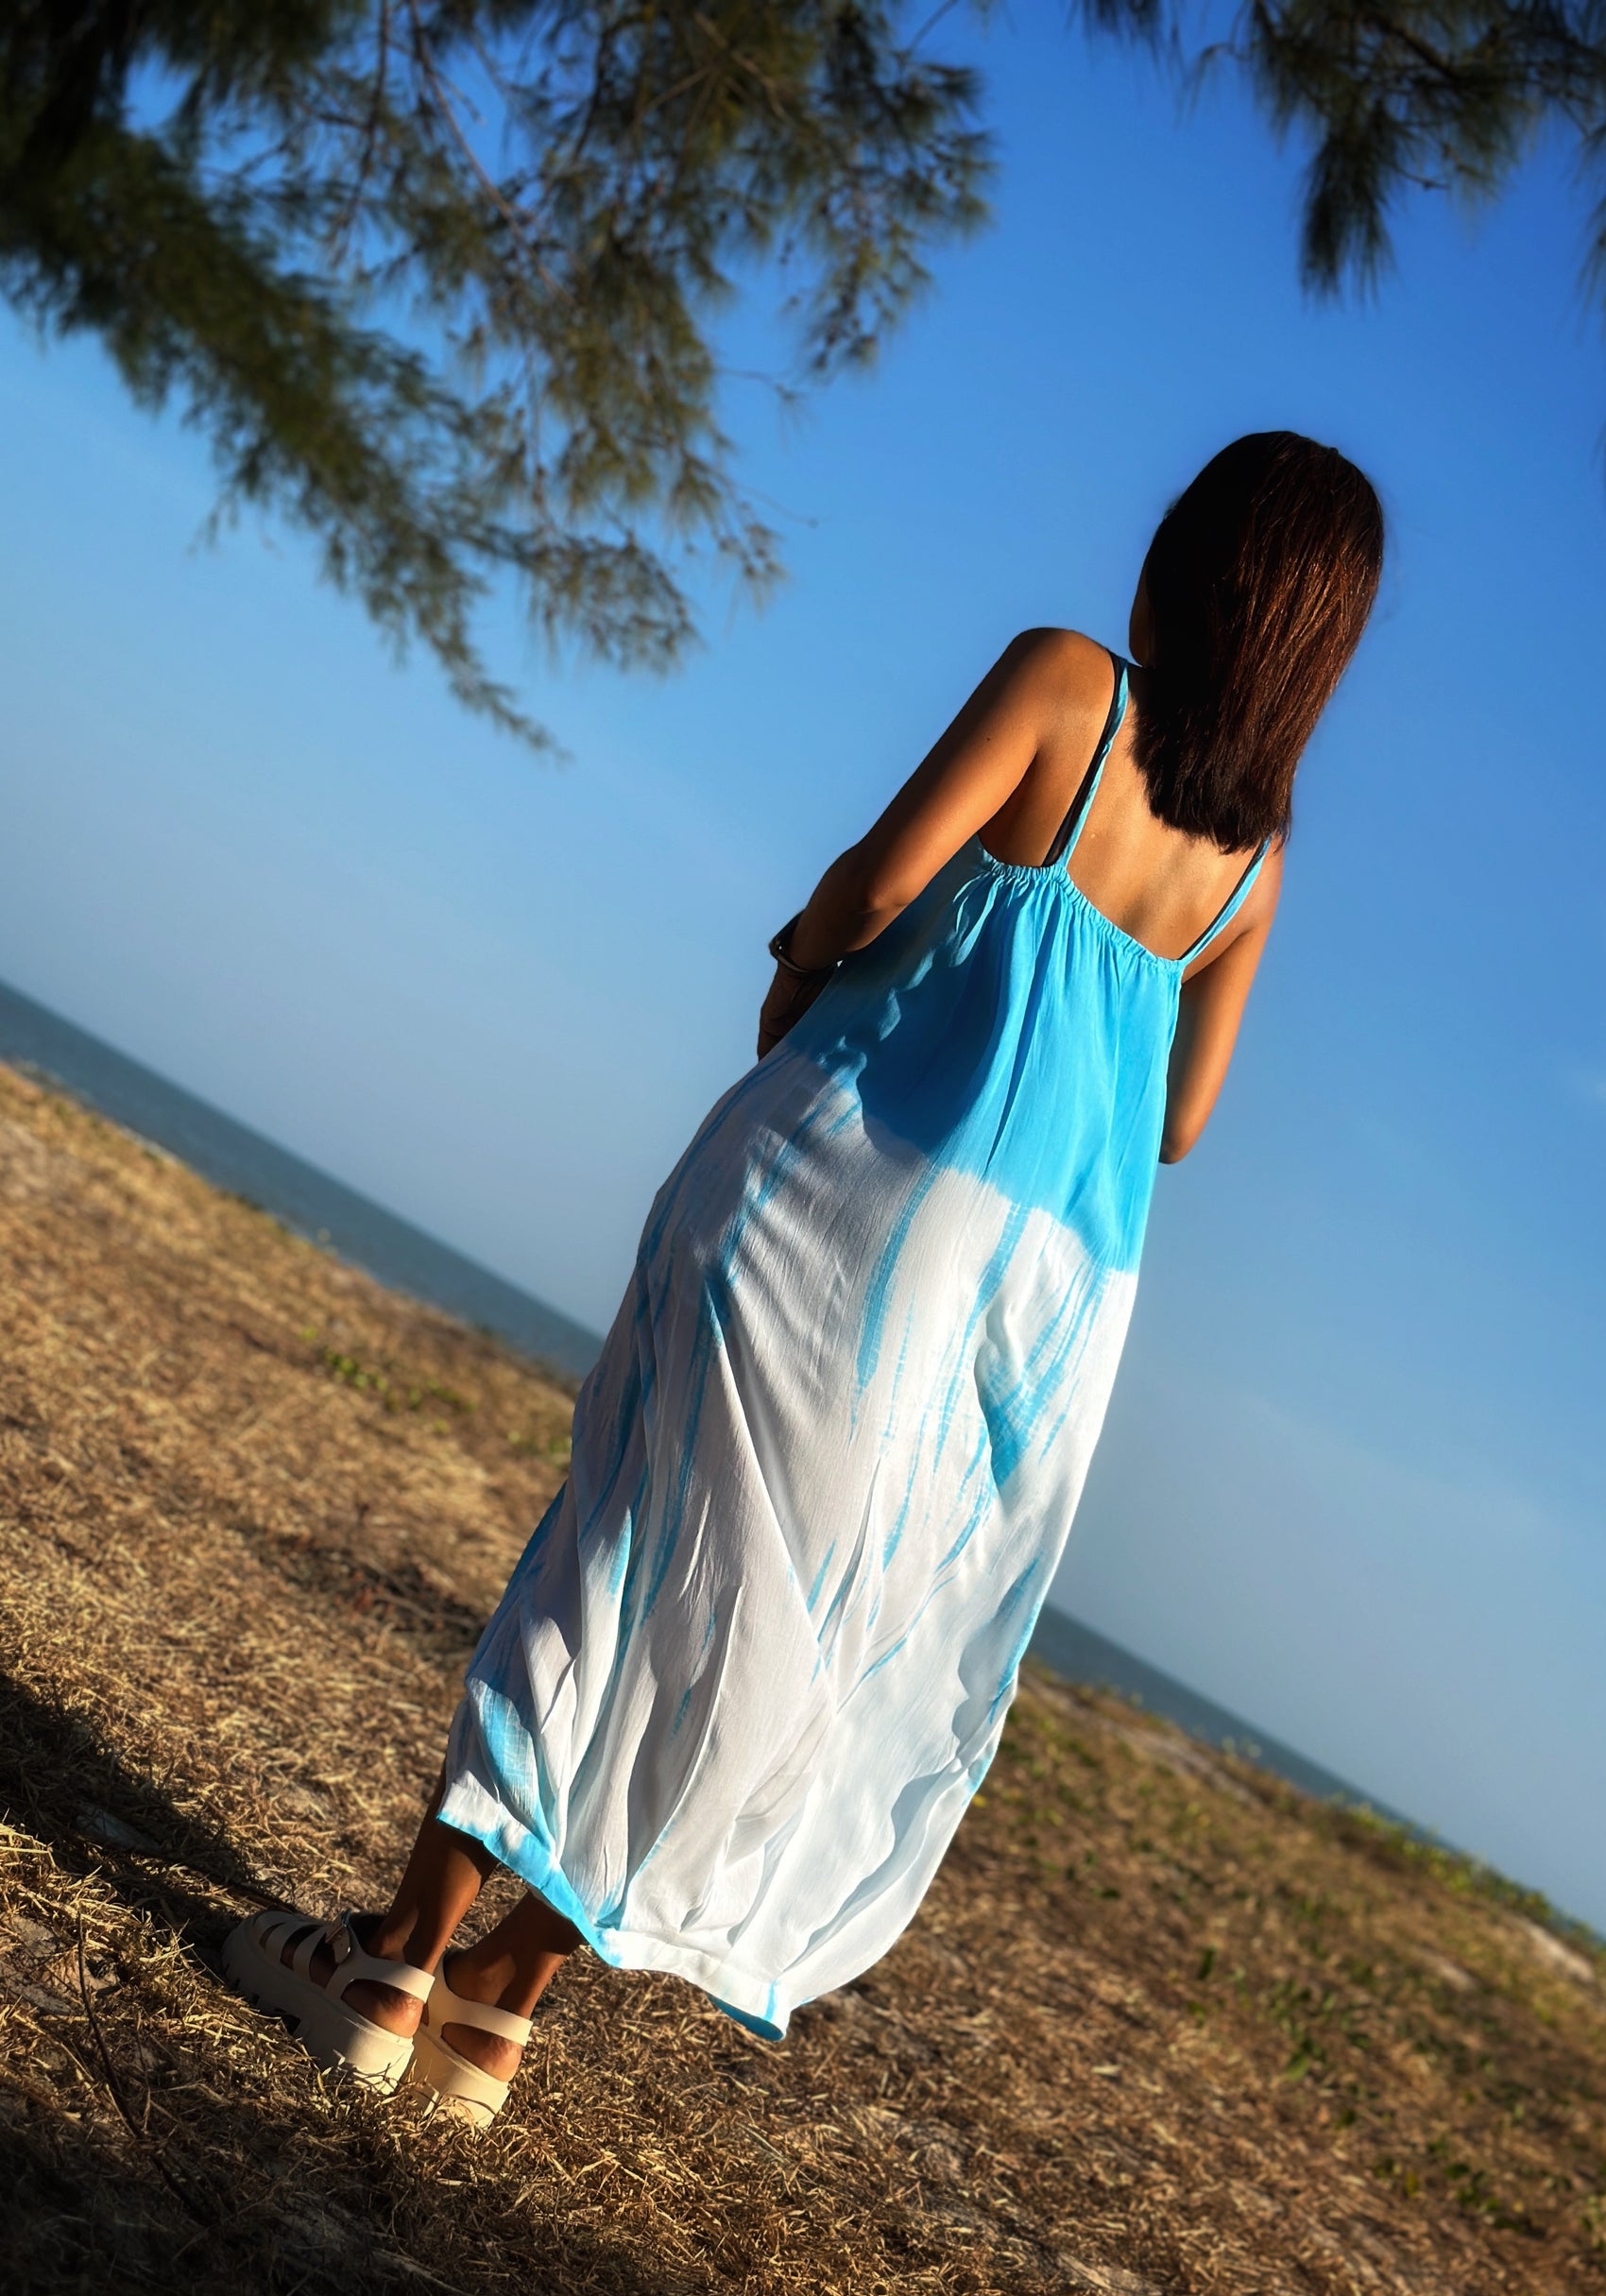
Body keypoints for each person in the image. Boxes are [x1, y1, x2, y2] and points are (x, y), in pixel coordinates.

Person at [224, 431, 1385, 2123]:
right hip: (1012, 1315)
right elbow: (1184, 1125)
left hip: (828, 1193)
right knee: (773, 1633)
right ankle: (500, 2009)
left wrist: (795, 982)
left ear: (1188, 563)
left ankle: (396, 1958)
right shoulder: (1253, 865)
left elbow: (877, 881)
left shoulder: (1072, 683)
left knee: (624, 1539)